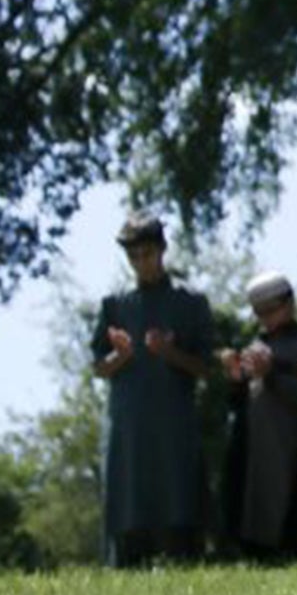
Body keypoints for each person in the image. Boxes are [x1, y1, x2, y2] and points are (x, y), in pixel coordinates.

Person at [91, 212, 213, 568]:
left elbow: (206, 367)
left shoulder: (190, 303)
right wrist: (123, 354)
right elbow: (99, 367)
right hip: (128, 425)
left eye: (147, 254)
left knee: (178, 499)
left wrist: (170, 353)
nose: (142, 263)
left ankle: (184, 558)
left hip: (175, 424)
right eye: (134, 257)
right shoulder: (114, 305)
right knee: (128, 501)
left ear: (162, 250)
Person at [220, 271, 297, 561]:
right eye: (260, 312)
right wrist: (235, 378)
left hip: (289, 440)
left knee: (287, 500)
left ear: (289, 303)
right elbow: (239, 400)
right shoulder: (255, 345)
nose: (266, 318)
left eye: (272, 310)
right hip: (252, 440)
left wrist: (271, 375)